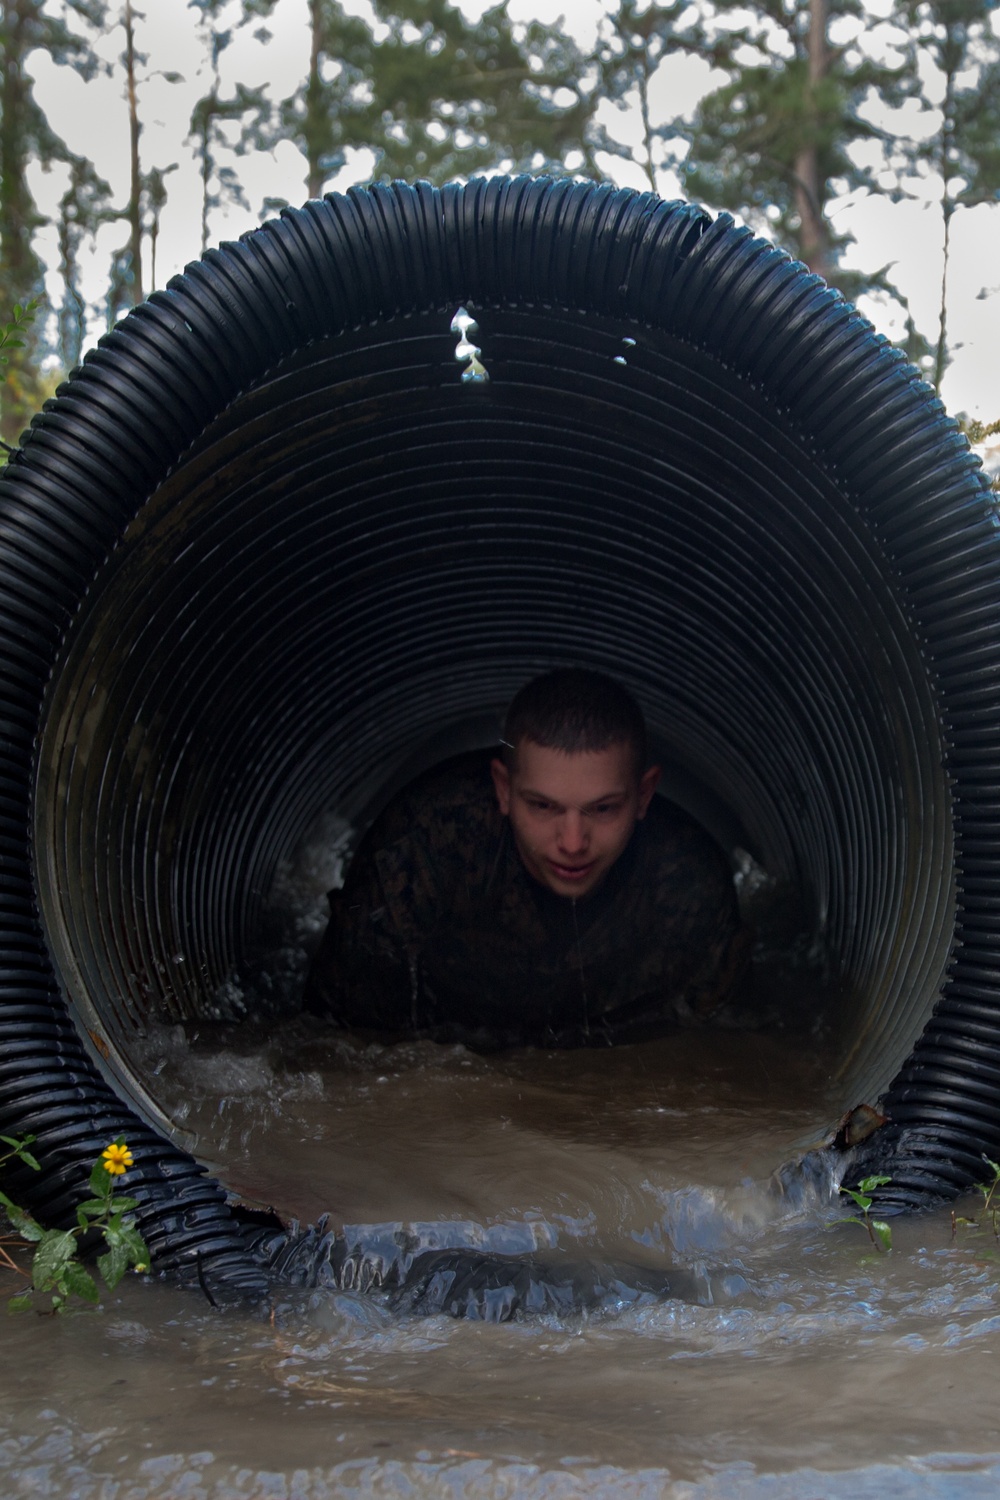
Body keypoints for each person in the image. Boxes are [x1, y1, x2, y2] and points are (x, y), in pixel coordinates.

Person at [302, 668, 747, 1047]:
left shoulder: (688, 882)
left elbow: (715, 1051)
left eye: (603, 808)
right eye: (543, 806)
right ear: (503, 788)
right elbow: (336, 1038)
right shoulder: (427, 844)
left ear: (644, 794)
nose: (573, 843)